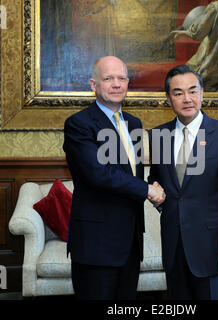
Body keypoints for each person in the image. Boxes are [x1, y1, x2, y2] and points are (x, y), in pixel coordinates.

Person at [63, 56, 165, 300]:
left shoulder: (134, 124)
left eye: (121, 78)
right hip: (96, 244)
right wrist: (147, 190)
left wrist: (155, 186)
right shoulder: (79, 124)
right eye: (108, 78)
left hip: (130, 242)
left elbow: (133, 174)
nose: (116, 84)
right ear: (93, 85)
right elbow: (99, 174)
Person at [148, 65, 218, 299]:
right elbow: (157, 179)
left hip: (211, 247)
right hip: (174, 245)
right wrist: (158, 198)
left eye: (193, 91)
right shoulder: (158, 136)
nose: (187, 99)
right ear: (168, 98)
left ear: (202, 93)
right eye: (178, 93)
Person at [170, 0, 218, 92]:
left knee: (186, 74)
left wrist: (183, 33)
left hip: (212, 66)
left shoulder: (215, 8)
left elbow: (198, 34)